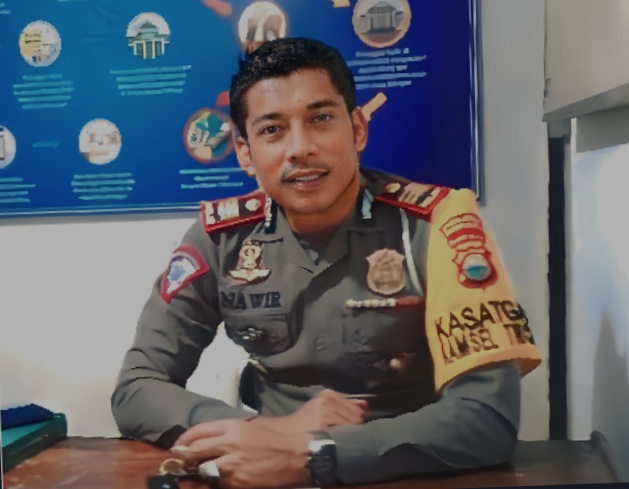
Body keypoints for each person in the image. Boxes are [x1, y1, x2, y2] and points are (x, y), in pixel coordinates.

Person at [111, 37, 541, 489]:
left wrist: (313, 453)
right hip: (266, 475)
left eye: (320, 119)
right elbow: (137, 387)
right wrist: (266, 433)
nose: (300, 148)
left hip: (407, 471)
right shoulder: (221, 239)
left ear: (357, 129)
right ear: (245, 152)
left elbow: (487, 417)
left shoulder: (437, 226)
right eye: (272, 129)